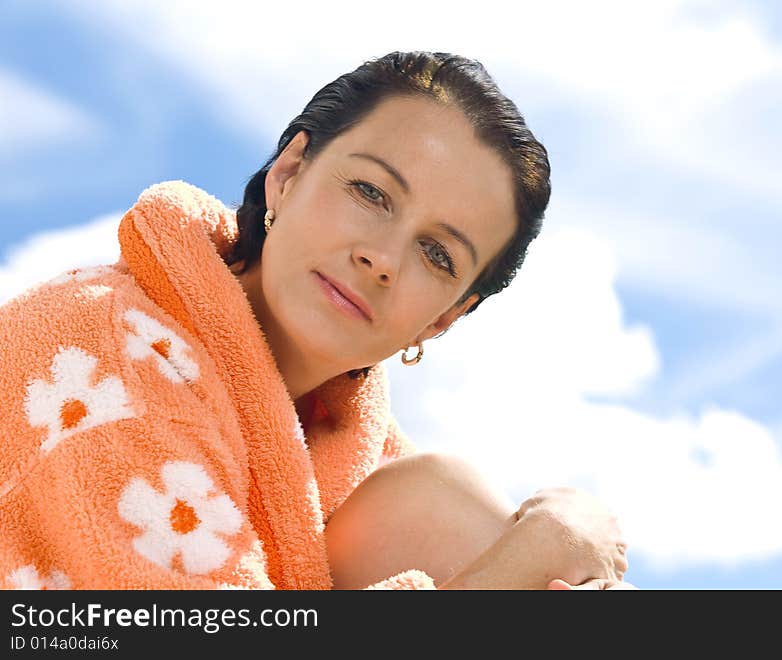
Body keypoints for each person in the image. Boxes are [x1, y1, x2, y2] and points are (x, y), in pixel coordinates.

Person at [0, 51, 630, 590]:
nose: (381, 258)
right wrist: (541, 548)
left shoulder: (355, 450)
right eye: (371, 193)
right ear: (289, 174)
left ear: (441, 321)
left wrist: (561, 548)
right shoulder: (97, 346)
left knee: (440, 500)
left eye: (437, 255)